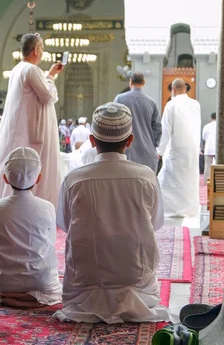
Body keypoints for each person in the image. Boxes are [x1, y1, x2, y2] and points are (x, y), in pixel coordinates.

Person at [55, 103, 171, 324]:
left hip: (85, 280)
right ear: (130, 141)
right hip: (135, 278)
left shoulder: (75, 179)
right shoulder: (146, 176)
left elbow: (66, 224)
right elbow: (154, 223)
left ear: (91, 141)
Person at [0, 33, 64, 221]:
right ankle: (34, 210)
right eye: (41, 48)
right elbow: (47, 96)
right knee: (30, 167)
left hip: (22, 128)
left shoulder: (18, 69)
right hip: (30, 131)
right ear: (36, 50)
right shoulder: (31, 70)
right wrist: (50, 79)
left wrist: (49, 74)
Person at [0, 147, 62, 308]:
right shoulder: (47, 207)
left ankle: (8, 297)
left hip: (3, 282)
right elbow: (50, 246)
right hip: (39, 281)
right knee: (55, 292)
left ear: (5, 179)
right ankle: (30, 298)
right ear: (38, 178)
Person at [157, 78, 202, 217]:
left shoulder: (171, 105)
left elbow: (166, 131)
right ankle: (189, 209)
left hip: (176, 148)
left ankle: (170, 210)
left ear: (173, 90)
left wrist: (159, 151)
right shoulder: (196, 104)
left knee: (168, 180)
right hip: (192, 150)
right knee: (189, 179)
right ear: (185, 89)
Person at [113, 72, 162, 173]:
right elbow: (157, 128)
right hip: (148, 153)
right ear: (143, 82)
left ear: (130, 82)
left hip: (125, 152)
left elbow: (114, 122)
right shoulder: (151, 102)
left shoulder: (120, 99)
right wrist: (154, 146)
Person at [202, 112, 217, 180]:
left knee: (207, 166)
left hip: (208, 148)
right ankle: (216, 182)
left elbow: (204, 137)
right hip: (217, 149)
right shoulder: (221, 125)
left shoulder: (207, 126)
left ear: (211, 118)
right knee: (218, 166)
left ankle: (206, 182)